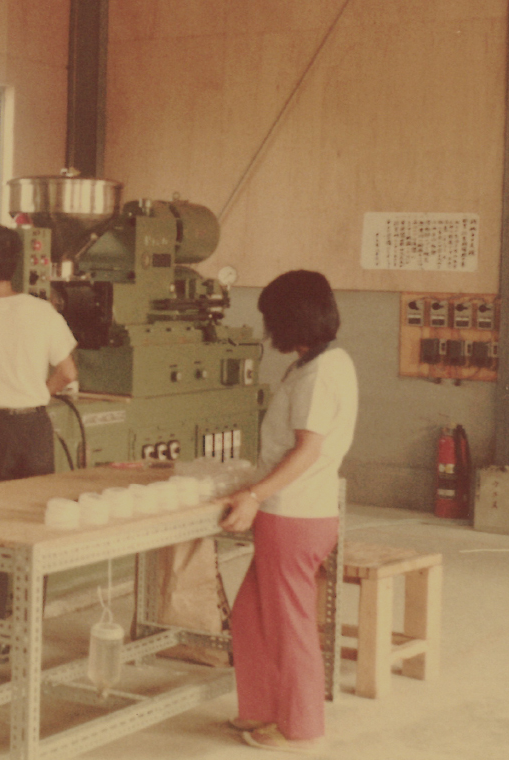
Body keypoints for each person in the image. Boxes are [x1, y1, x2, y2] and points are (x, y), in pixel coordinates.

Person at [219, 270, 358, 753]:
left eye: (270, 318)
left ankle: (302, 728)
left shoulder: (319, 374)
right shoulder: (322, 362)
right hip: (296, 513)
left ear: (289, 319)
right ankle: (261, 708)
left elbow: (307, 450)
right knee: (250, 616)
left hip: (294, 516)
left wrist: (255, 495)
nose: (267, 329)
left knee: (289, 626)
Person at [0, 223, 78, 663]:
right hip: (35, 429)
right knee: (36, 531)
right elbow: (68, 372)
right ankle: (30, 631)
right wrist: (38, 394)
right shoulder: (42, 312)